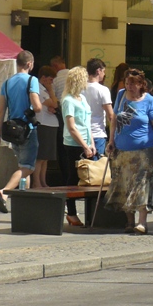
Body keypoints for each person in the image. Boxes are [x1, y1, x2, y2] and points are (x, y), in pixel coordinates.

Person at [105, 68, 153, 235]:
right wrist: (111, 141)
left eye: (132, 84)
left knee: (141, 184)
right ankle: (129, 221)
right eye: (127, 83)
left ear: (141, 84)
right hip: (121, 149)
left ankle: (142, 222)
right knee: (125, 184)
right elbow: (114, 120)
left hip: (145, 150)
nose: (129, 87)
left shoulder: (150, 101)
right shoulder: (120, 96)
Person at [0, 50, 42, 212]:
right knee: (28, 167)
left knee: (22, 166)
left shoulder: (7, 83)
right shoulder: (32, 80)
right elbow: (37, 106)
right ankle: (4, 192)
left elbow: (1, 111)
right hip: (27, 129)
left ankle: (25, 201)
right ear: (29, 64)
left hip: (12, 131)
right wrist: (36, 108)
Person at [61, 66, 95, 227]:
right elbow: (71, 127)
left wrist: (91, 143)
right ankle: (72, 213)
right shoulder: (68, 100)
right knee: (73, 179)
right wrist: (84, 145)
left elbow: (87, 123)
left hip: (86, 142)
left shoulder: (82, 98)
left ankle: (89, 212)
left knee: (89, 177)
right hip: (74, 144)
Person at [32, 65, 60, 188]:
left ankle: (43, 181)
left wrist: (53, 102)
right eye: (50, 80)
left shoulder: (46, 89)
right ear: (43, 78)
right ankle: (36, 182)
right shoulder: (39, 88)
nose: (51, 83)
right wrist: (51, 92)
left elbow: (55, 104)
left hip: (50, 124)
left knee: (46, 157)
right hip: (43, 123)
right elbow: (53, 103)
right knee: (40, 156)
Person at [85, 58, 115, 158]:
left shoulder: (80, 88)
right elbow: (111, 115)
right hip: (97, 133)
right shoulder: (103, 90)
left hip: (81, 134)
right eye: (103, 71)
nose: (104, 74)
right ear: (98, 71)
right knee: (96, 170)